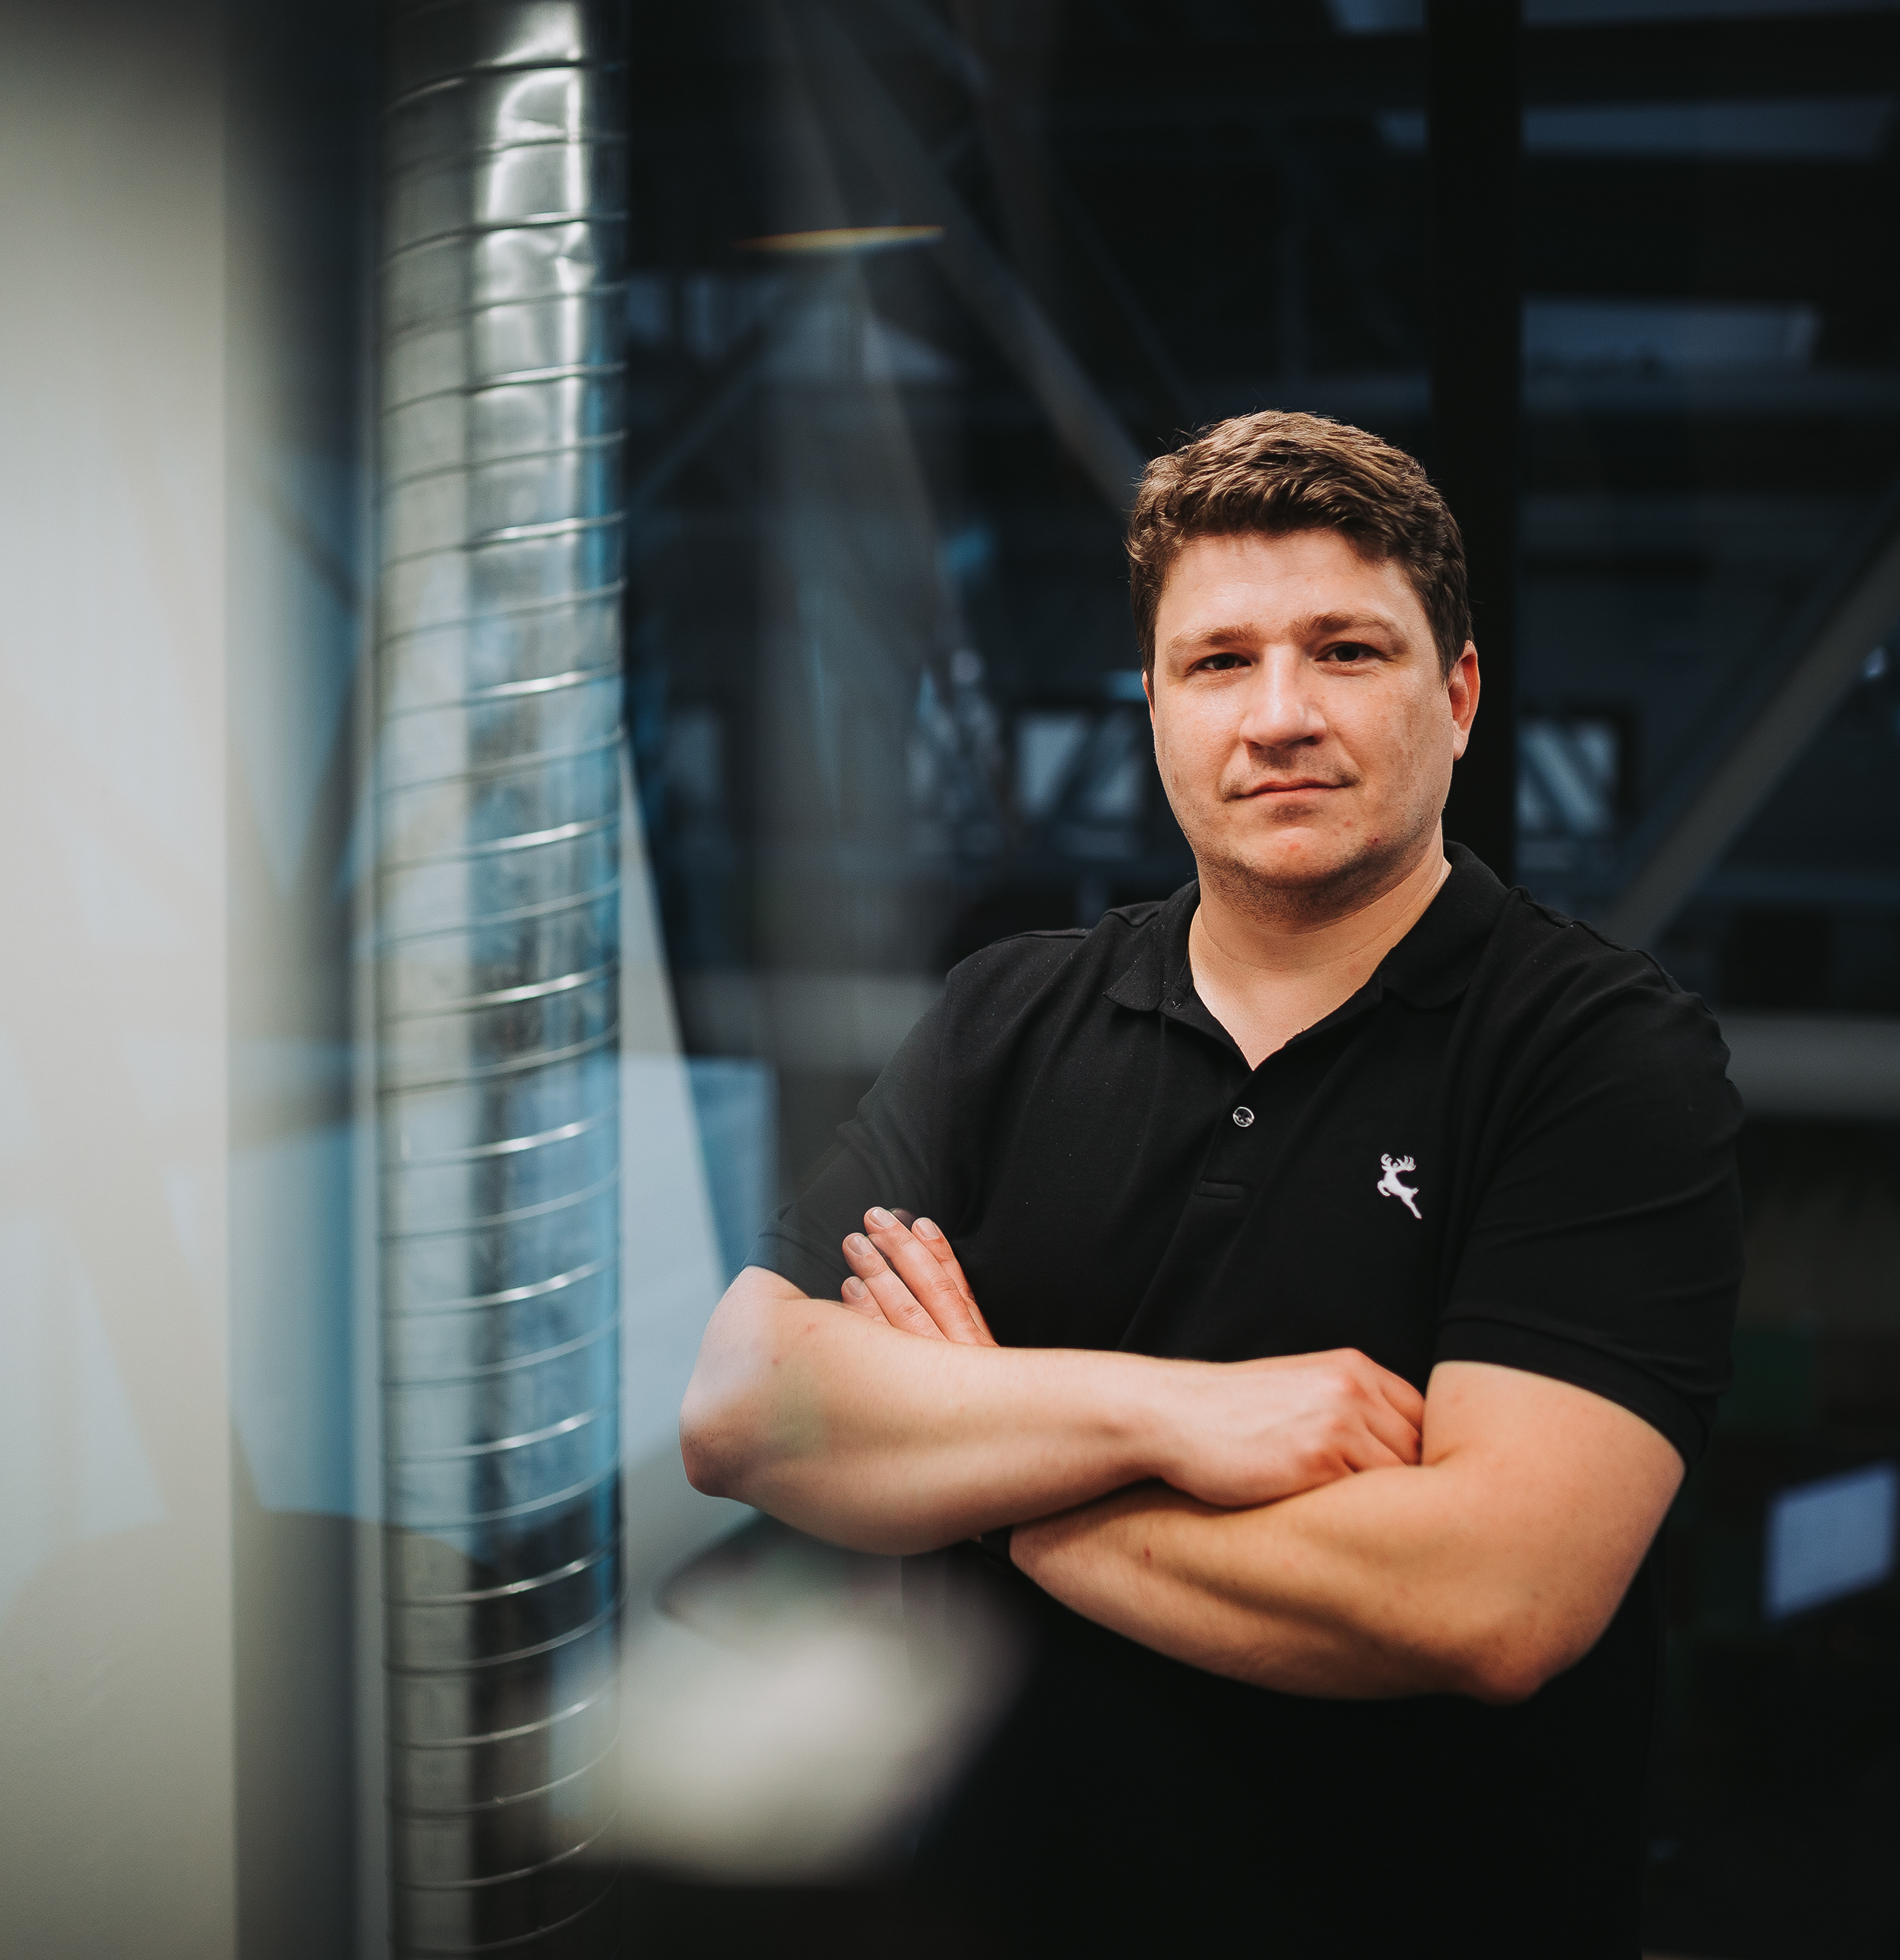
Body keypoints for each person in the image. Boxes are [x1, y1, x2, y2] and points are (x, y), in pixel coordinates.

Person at [679, 410, 1741, 1955]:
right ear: (1157, 708)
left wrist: (986, 1476)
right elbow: (739, 1404)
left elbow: (1494, 1596)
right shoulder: (1005, 1018)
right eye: (1220, 661)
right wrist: (1178, 1415)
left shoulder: (1598, 1057)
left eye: (1346, 652)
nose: (1280, 714)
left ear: (1458, 696)